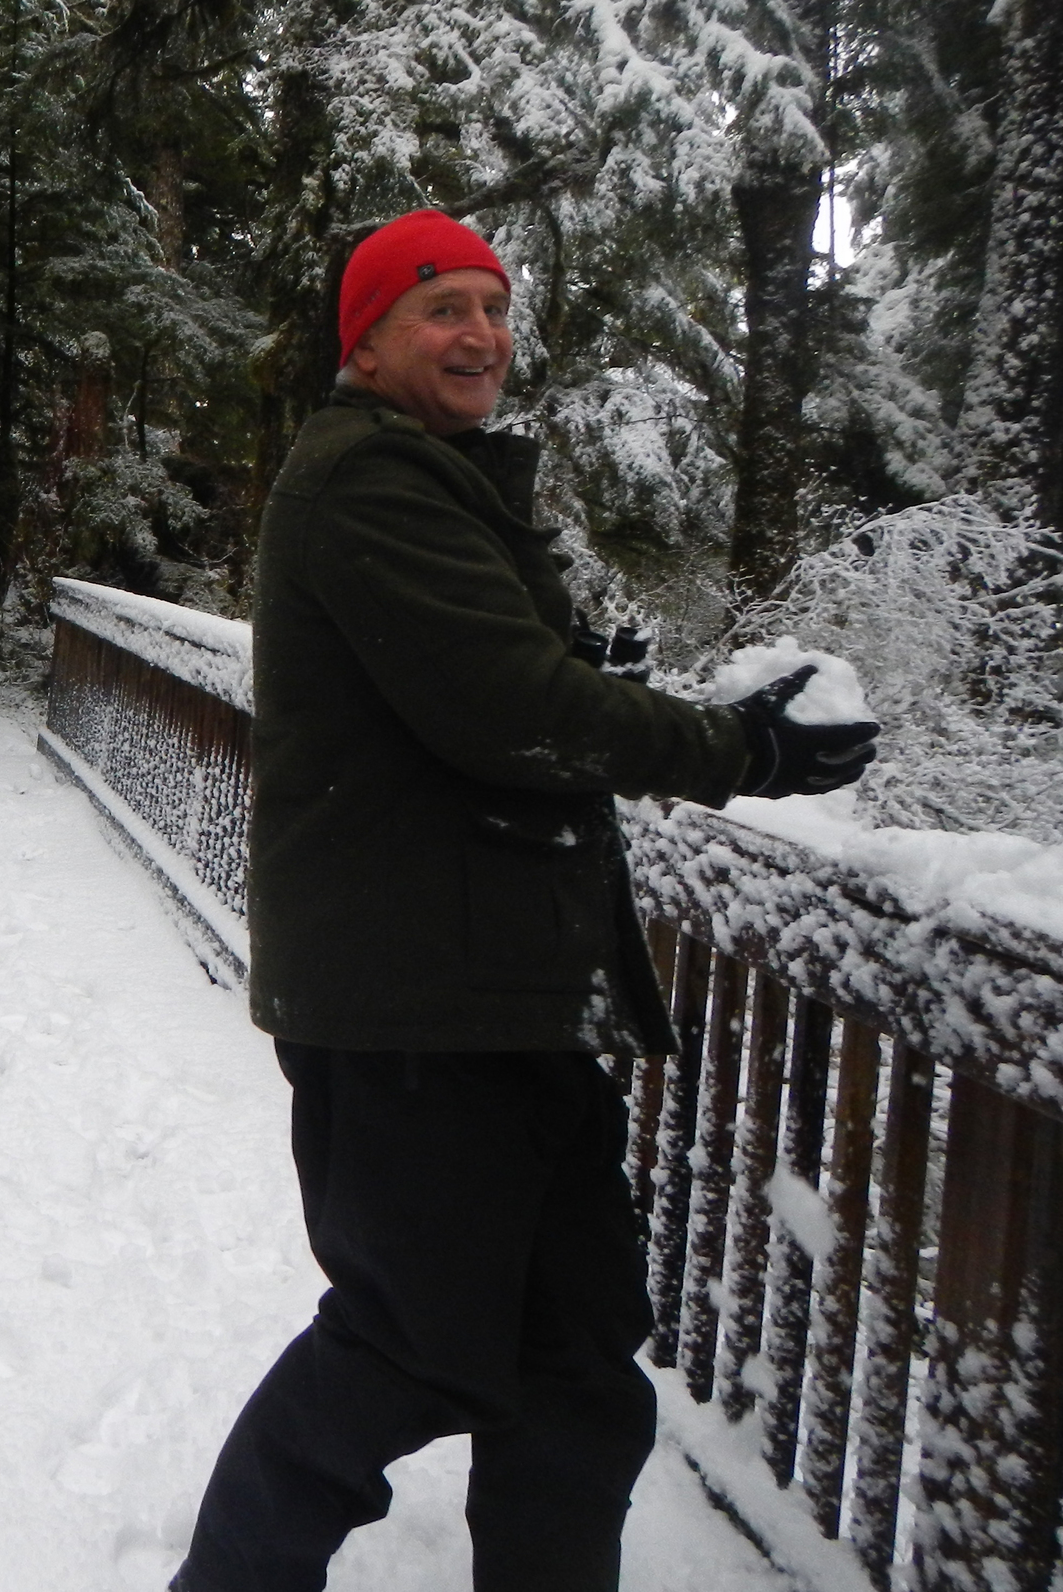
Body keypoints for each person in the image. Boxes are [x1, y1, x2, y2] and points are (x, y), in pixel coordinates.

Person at [170, 208, 879, 1592]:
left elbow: (497, 674)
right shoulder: (369, 480)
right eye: (442, 308)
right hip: (416, 1006)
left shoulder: (436, 478)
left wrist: (619, 682)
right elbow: (510, 709)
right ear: (365, 340)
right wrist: (741, 750)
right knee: (405, 1340)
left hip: (502, 994)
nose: (481, 335)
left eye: (493, 309)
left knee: (576, 1357)